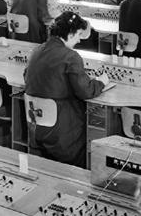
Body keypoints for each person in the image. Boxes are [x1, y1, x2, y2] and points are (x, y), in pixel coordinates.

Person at [23, 11, 107, 167]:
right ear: (70, 33)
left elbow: (27, 76)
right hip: (63, 133)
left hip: (36, 128)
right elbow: (86, 91)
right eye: (78, 35)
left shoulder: (37, 50)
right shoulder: (71, 57)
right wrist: (100, 82)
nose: (78, 40)